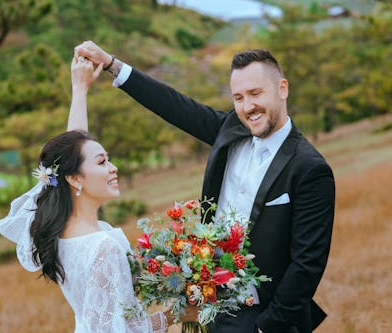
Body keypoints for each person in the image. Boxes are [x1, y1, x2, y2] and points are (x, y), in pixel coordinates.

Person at [74, 41, 335, 333]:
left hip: (260, 314)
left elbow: (307, 263)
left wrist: (267, 327)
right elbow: (174, 105)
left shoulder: (311, 169)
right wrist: (112, 63)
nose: (247, 107)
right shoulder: (231, 129)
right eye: (238, 97)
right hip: (208, 304)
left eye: (256, 93)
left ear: (282, 89)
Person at [0, 56, 198, 332]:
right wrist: (176, 315)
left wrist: (80, 90)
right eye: (102, 162)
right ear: (75, 179)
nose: (114, 168)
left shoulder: (64, 232)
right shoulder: (102, 246)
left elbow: (72, 153)